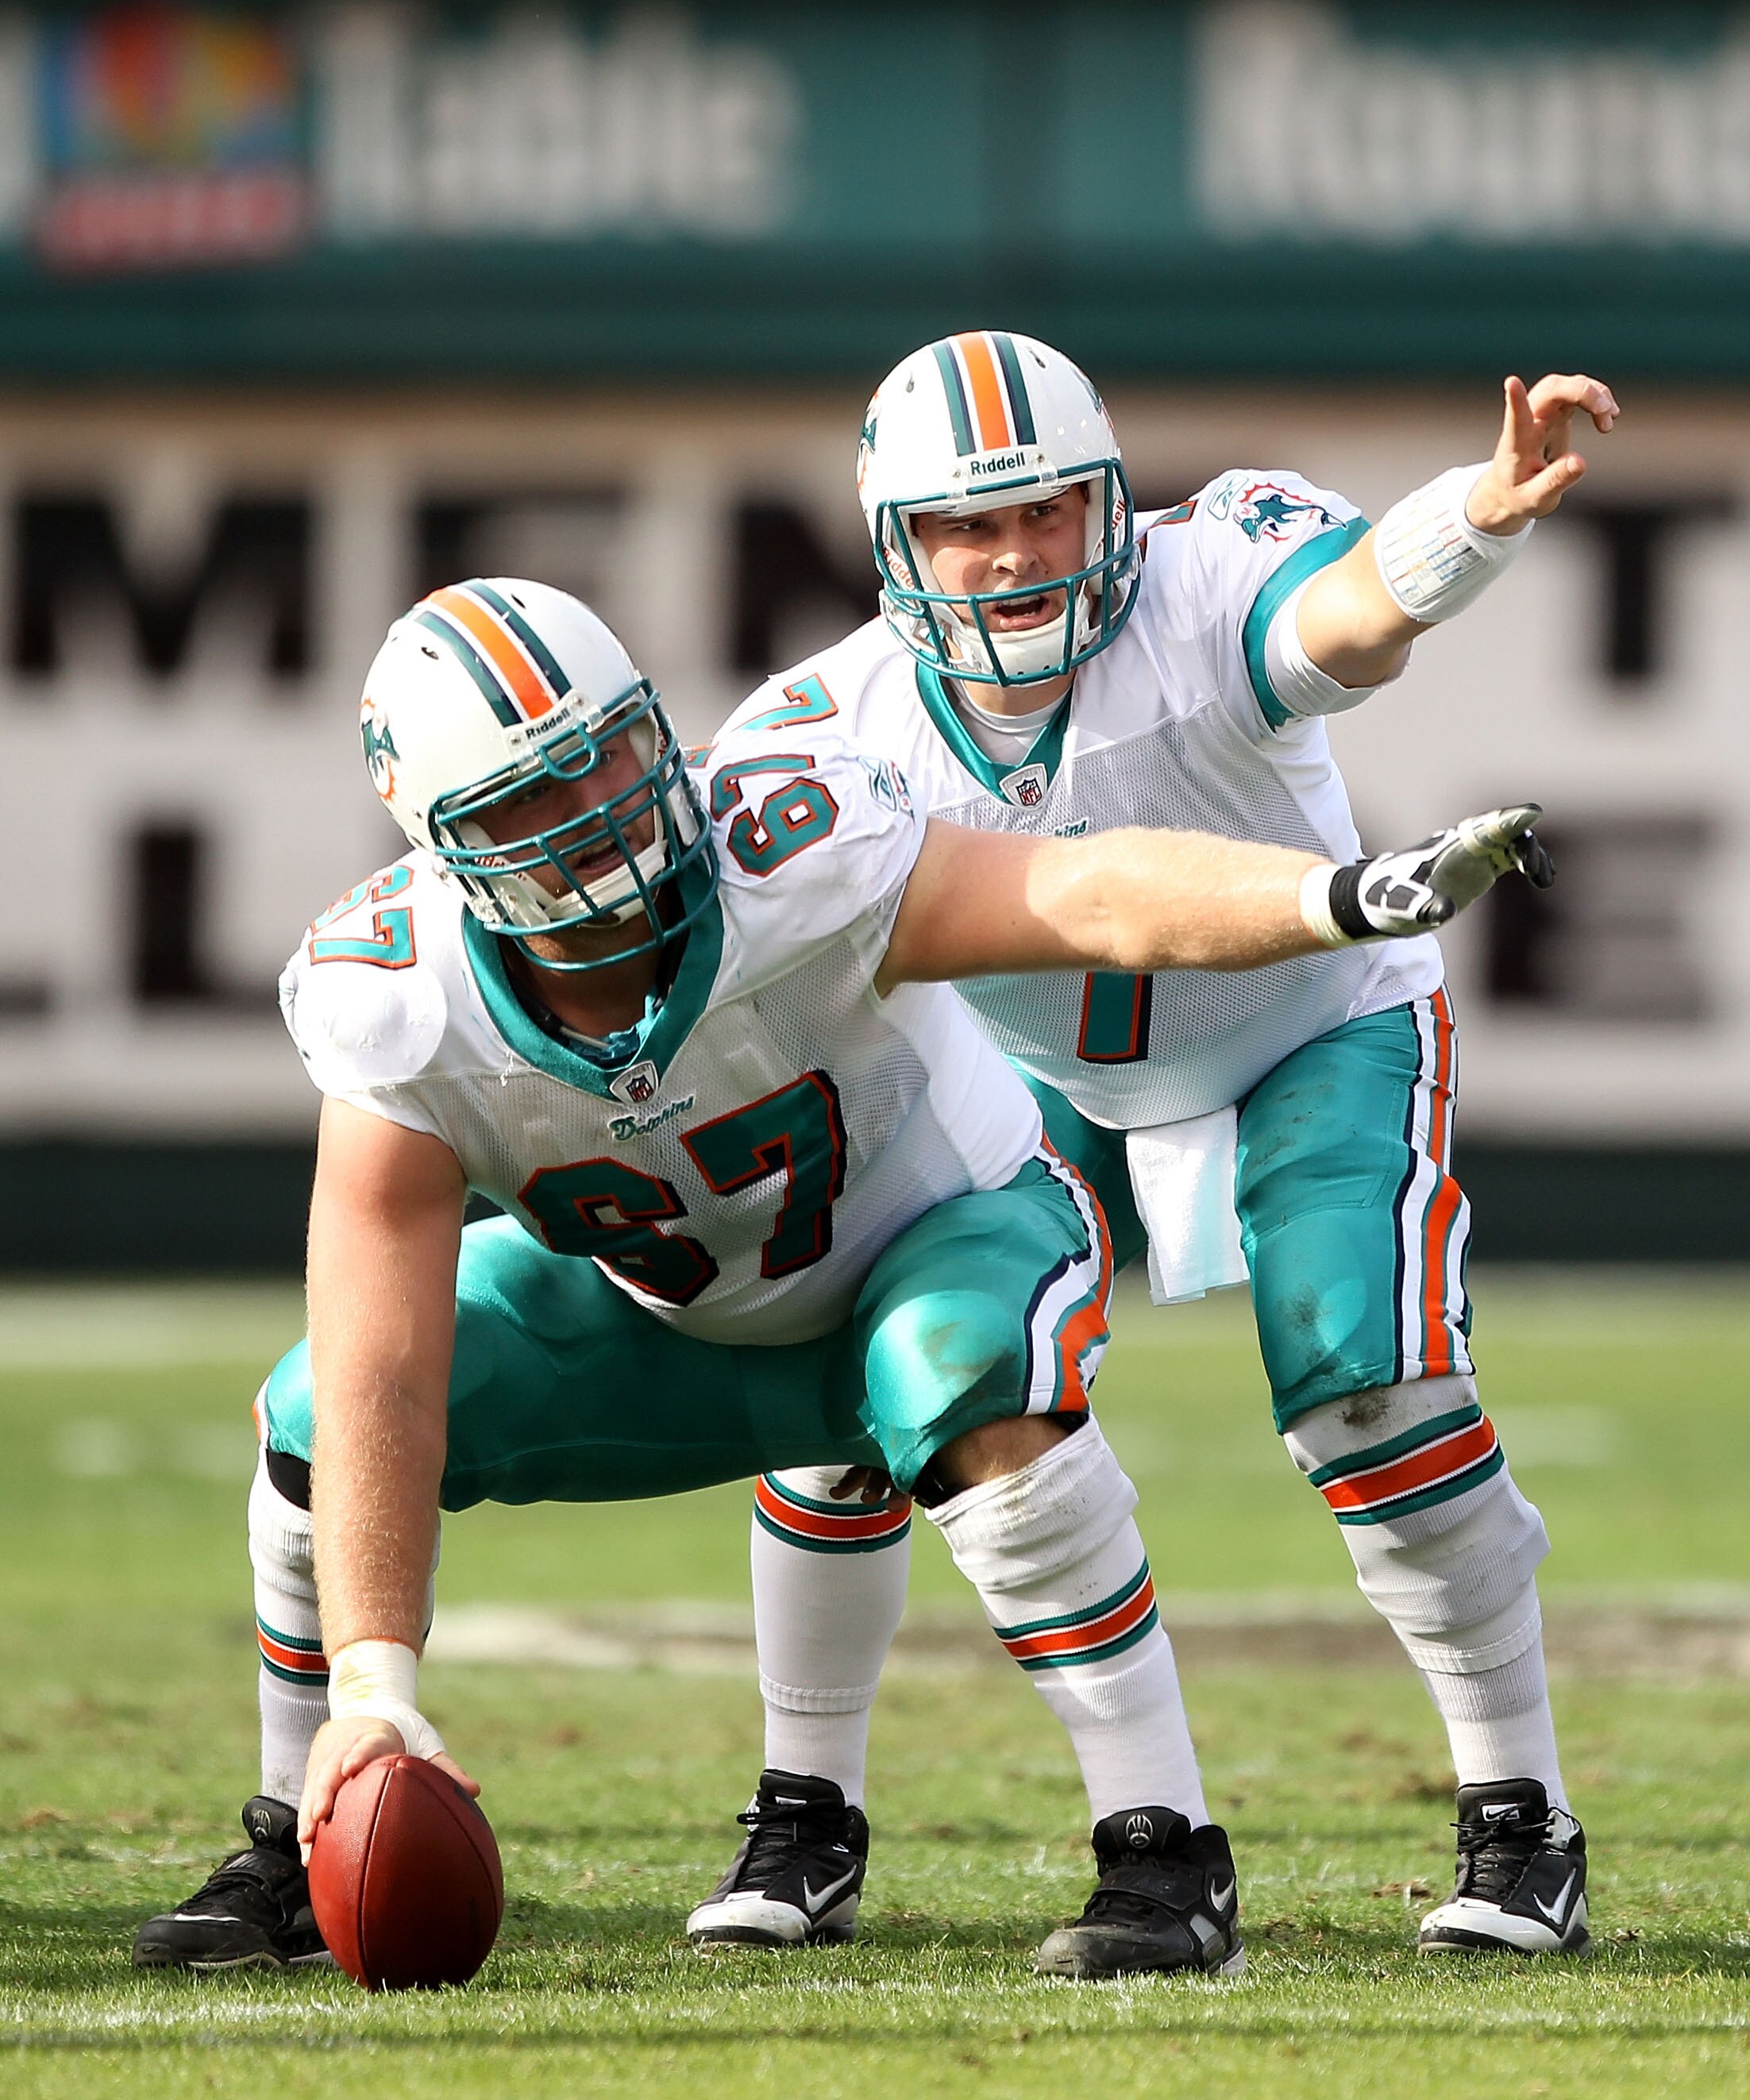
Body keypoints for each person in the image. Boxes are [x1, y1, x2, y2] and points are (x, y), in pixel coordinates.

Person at [132, 572, 1544, 1981]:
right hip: (675, 1317)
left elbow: (1081, 892)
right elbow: (384, 1364)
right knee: (315, 1407)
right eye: (527, 803)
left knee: (948, 1364)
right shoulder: (394, 998)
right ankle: (297, 1837)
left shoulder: (790, 847)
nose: (601, 811)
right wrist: (377, 1687)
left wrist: (1333, 894)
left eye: (615, 752)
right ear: (442, 843)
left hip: (945, 1238)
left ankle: (1163, 1849)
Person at [719, 333, 1616, 1963]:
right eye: (958, 528)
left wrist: (1477, 516)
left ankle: (1518, 1820)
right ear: (889, 546)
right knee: (852, 1386)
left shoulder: (1206, 588)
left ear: (1111, 508)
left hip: (1307, 1018)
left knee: (1370, 1384)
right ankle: (803, 1811)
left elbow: (1342, 609)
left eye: (1045, 513)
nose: (1006, 557)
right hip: (1015, 1068)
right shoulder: (825, 729)